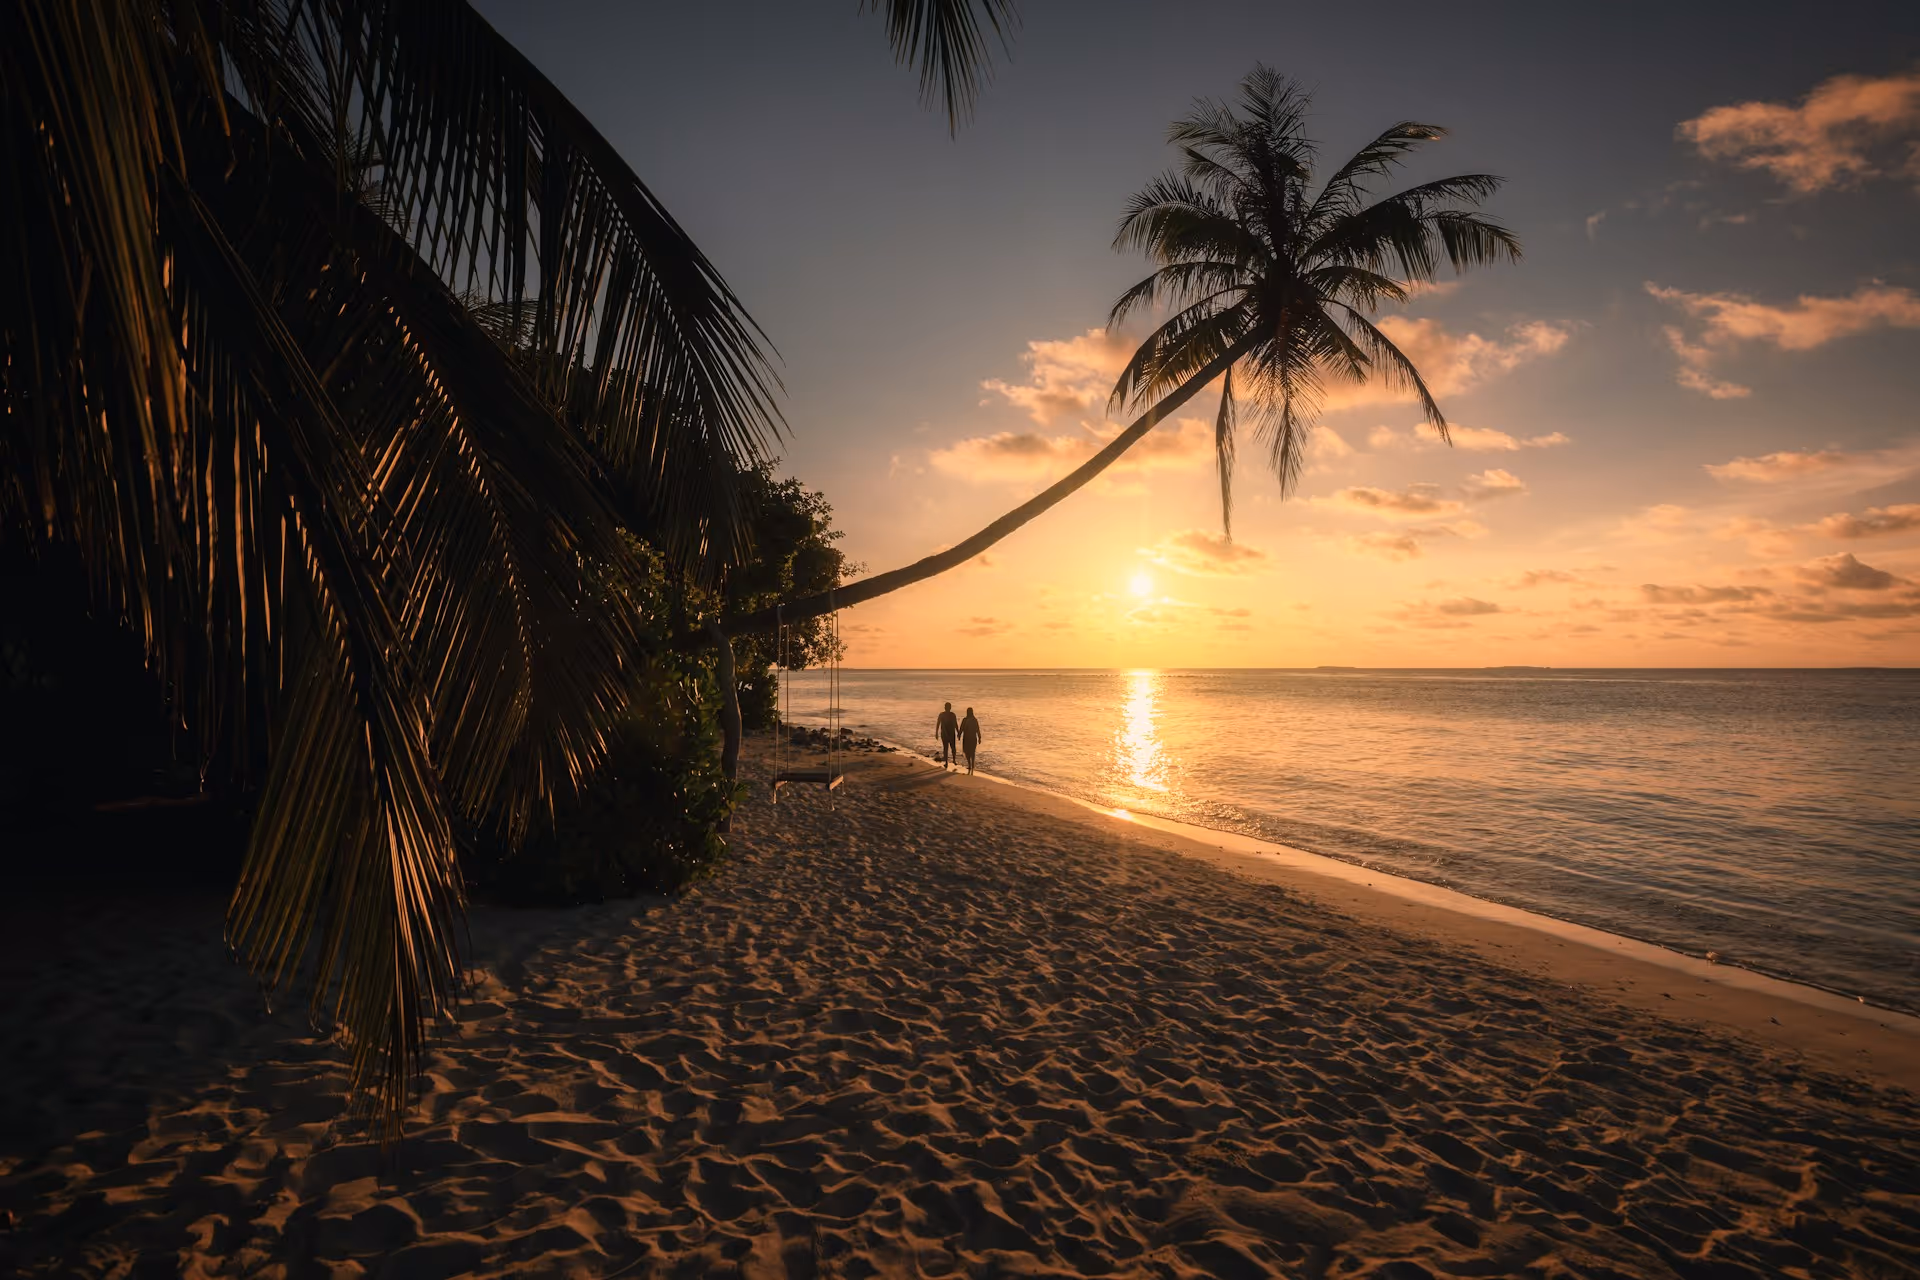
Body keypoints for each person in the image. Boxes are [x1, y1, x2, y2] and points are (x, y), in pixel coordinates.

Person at [935, 701, 959, 769]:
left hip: (947, 733)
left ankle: (948, 762)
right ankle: (951, 761)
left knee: (948, 748)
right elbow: (955, 724)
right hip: (948, 733)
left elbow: (938, 724)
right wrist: (958, 732)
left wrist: (936, 733)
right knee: (951, 747)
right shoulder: (950, 715)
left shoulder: (944, 715)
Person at [959, 706, 982, 776]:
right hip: (969, 738)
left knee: (970, 752)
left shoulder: (973, 720)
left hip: (970, 738)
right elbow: (962, 728)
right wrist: (959, 734)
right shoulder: (966, 720)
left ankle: (971, 765)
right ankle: (971, 765)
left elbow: (977, 729)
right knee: (968, 752)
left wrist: (979, 737)